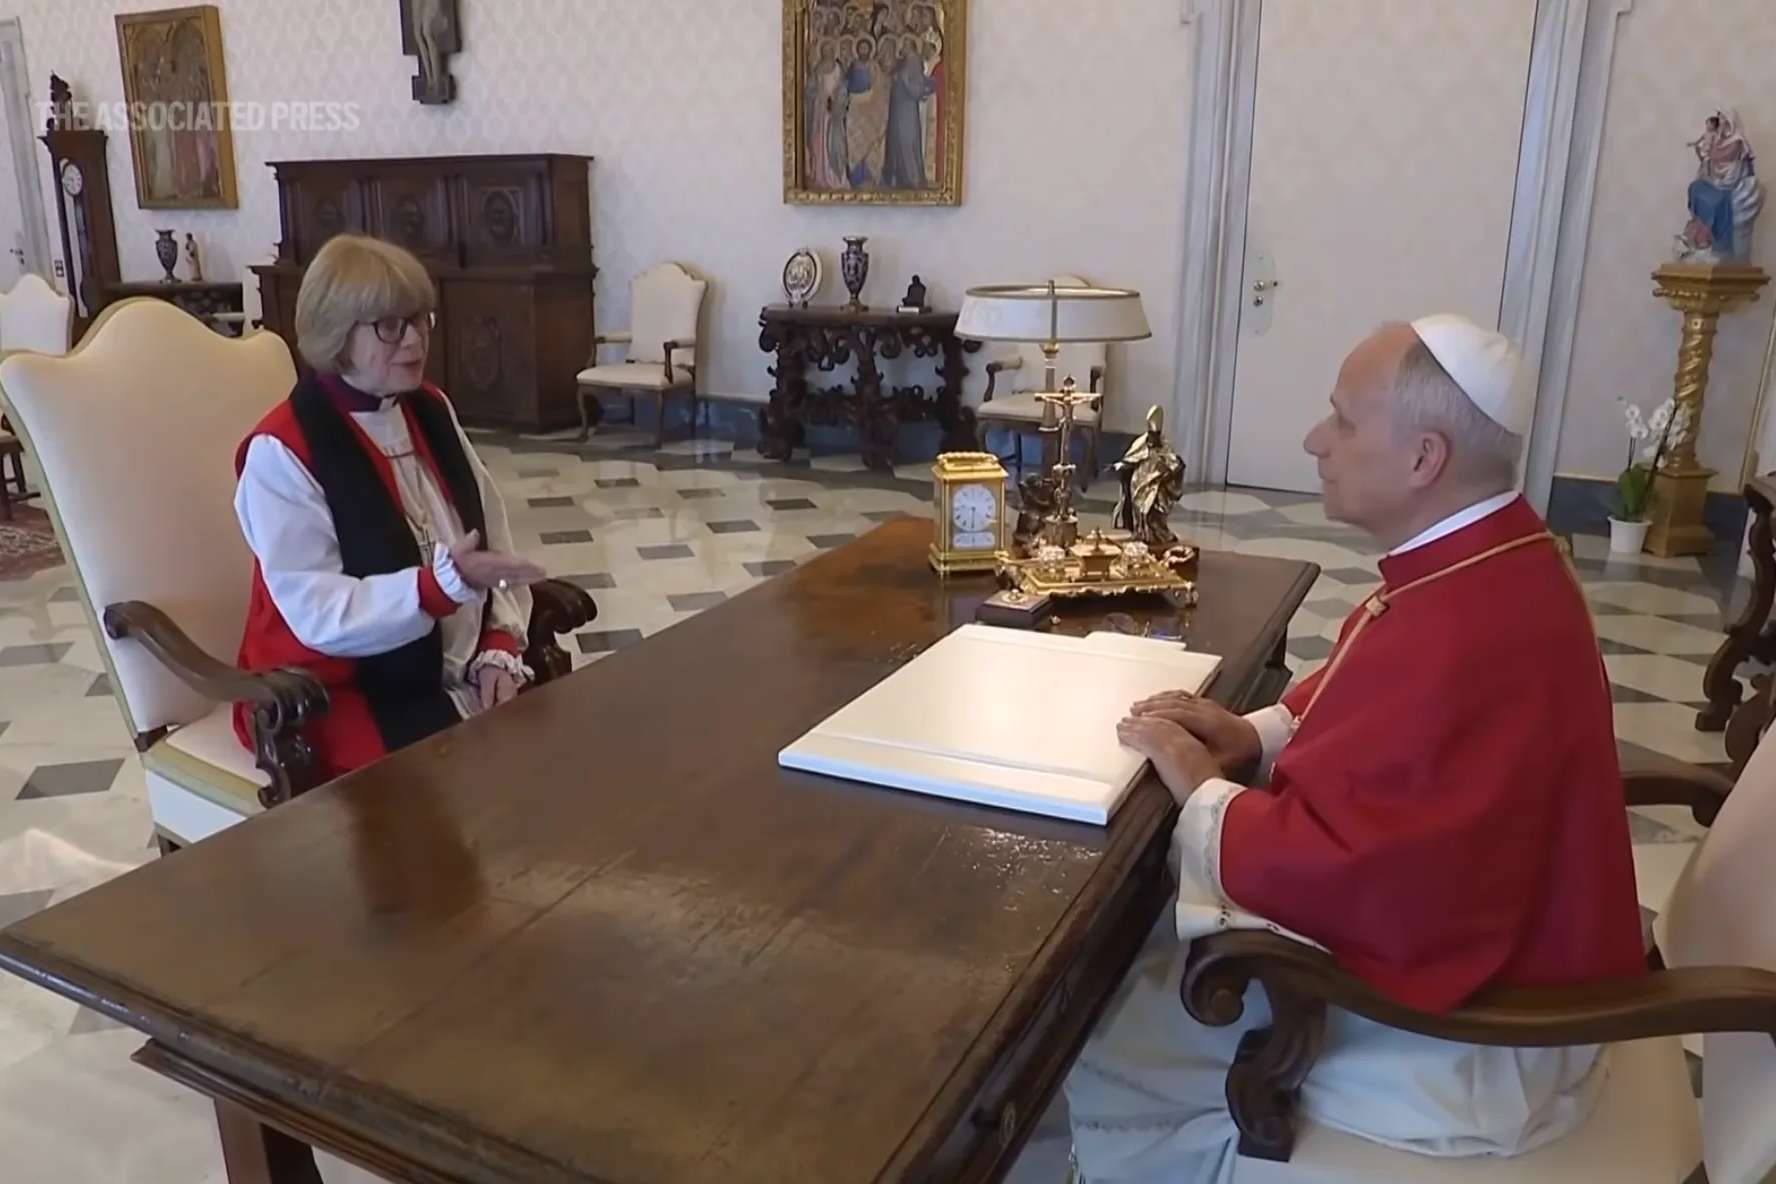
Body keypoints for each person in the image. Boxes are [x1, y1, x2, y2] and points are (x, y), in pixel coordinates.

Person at [1063, 316, 1645, 1182]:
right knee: (1131, 964)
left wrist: (1205, 795)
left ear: (1423, 458)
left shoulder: (1476, 622)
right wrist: (1253, 733)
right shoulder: (1490, 557)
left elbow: (1376, 881)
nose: (1314, 440)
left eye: (1341, 420)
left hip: (1473, 1046)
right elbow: (1386, 717)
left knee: (1105, 1034)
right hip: (1500, 951)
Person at [232, 234, 546, 780]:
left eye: (421, 319)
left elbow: (491, 540)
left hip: (451, 666)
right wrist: (437, 590)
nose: (414, 341)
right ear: (336, 333)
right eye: (389, 326)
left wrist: (498, 642)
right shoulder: (282, 451)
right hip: (328, 689)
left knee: (555, 745)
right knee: (454, 799)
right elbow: (319, 613)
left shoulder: (428, 407)